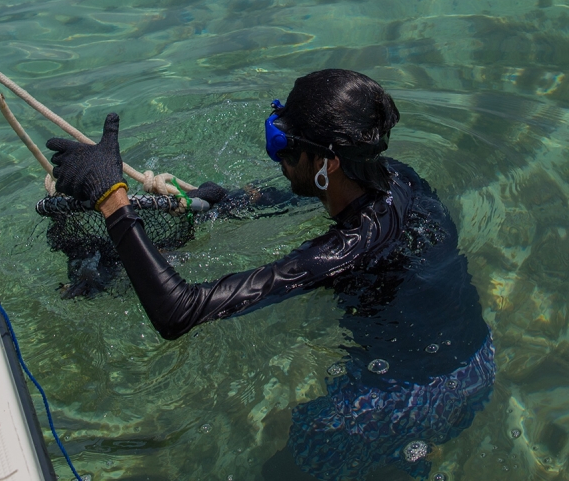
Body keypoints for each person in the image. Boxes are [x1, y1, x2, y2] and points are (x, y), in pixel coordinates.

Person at [47, 70, 494, 481]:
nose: (277, 153)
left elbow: (178, 312)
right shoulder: (395, 176)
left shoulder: (347, 249)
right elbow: (293, 193)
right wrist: (226, 202)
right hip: (474, 359)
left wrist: (111, 200)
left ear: (328, 164)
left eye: (284, 144)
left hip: (416, 393)